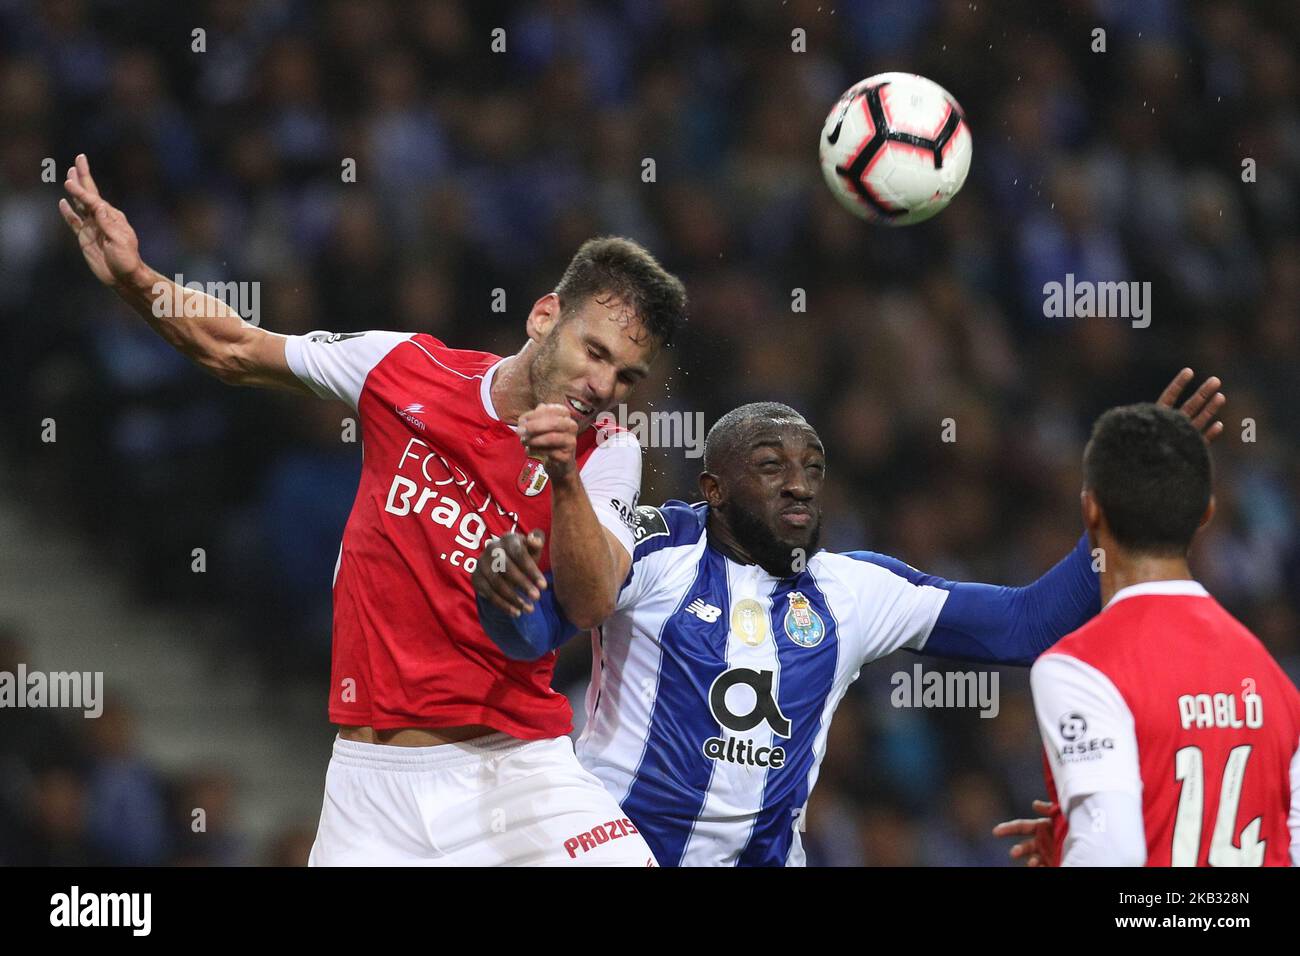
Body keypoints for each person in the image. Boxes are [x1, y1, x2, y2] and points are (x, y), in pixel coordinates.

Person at [59, 153, 687, 865]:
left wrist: (564, 479)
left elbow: (594, 597)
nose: (603, 384)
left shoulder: (608, 450)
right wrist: (137, 281)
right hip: (371, 786)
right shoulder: (402, 370)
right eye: (594, 351)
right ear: (545, 317)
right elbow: (233, 349)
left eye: (625, 375)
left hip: (517, 773)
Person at [473, 374, 1226, 865]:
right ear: (713, 487)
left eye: (812, 468)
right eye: (770, 467)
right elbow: (539, 628)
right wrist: (504, 594)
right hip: (611, 851)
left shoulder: (854, 590)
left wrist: (1123, 507)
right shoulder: (658, 544)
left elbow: (1027, 626)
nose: (799, 486)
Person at [997, 403, 1300, 866]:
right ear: (1206, 513)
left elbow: (1110, 851)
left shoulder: (1079, 668)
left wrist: (1083, 843)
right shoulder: (1273, 679)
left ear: (1091, 509)